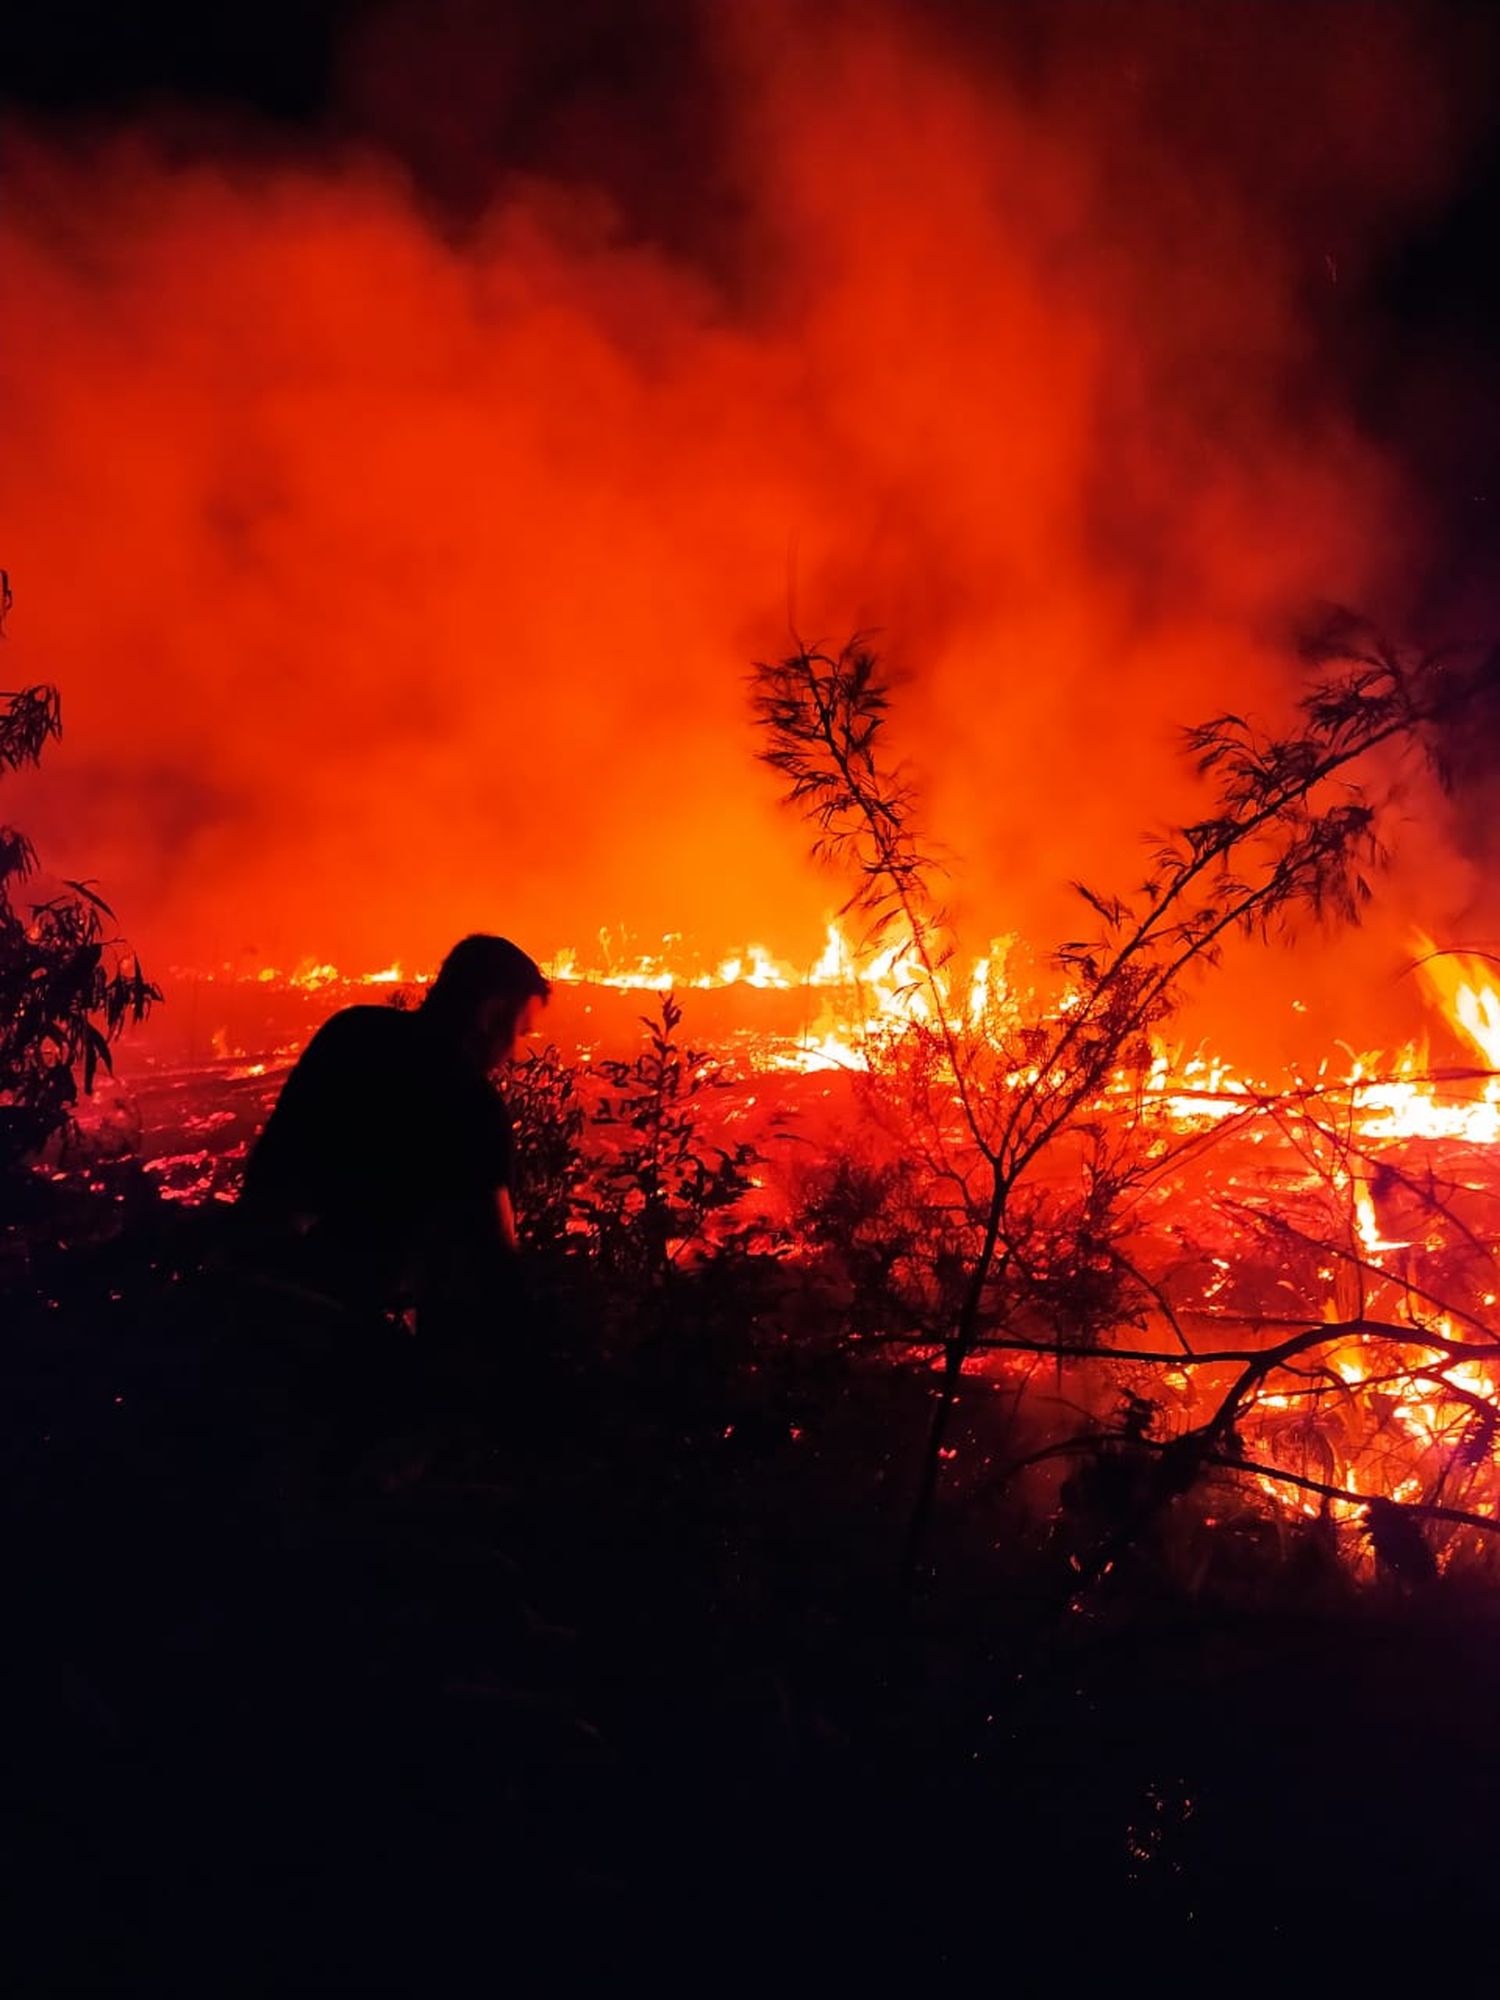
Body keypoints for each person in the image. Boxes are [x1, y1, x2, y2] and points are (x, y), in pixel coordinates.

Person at [238, 934, 550, 1345]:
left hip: (253, 1291)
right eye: (520, 1031)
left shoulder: (350, 1033)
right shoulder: (471, 1104)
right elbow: (495, 1263)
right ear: (491, 1016)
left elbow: (275, 1165)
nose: (514, 1050)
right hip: (344, 1332)